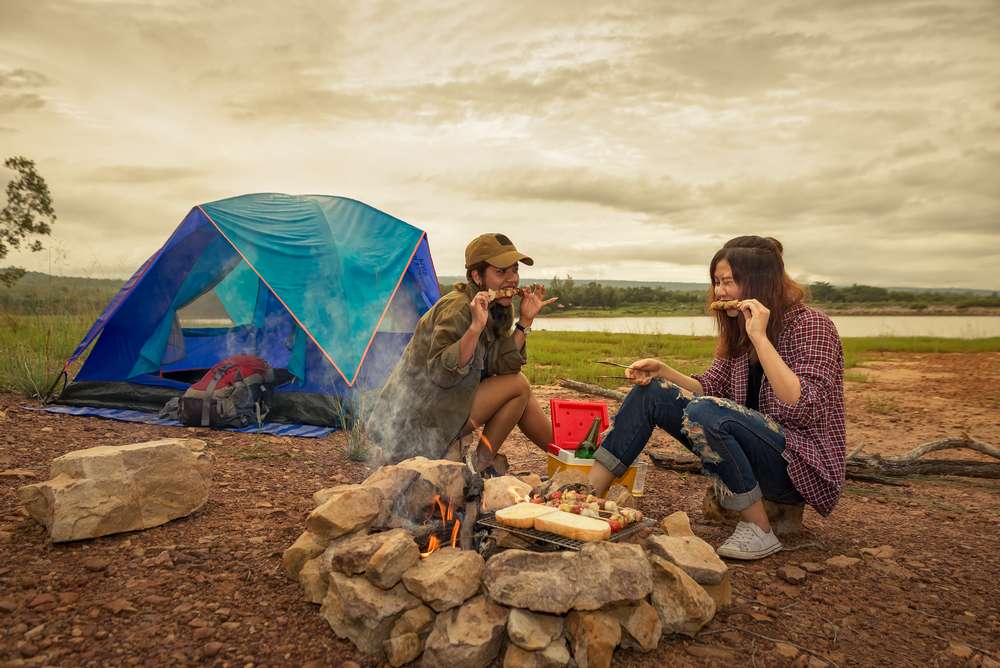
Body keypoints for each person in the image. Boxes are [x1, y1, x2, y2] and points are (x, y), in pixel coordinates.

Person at [588, 236, 845, 560]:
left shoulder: (812, 326)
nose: (719, 292)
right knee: (651, 393)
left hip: (796, 468)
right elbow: (711, 388)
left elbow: (803, 406)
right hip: (746, 456)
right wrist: (664, 371)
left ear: (759, 282)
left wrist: (760, 339)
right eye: (716, 282)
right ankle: (587, 495)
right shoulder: (738, 330)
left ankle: (760, 530)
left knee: (706, 412)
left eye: (728, 282)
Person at [366, 233, 556, 470]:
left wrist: (524, 322)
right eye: (501, 272)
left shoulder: (497, 308)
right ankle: (481, 464)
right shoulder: (457, 308)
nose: (512, 280)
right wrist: (475, 329)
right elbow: (442, 374)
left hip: (448, 405)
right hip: (415, 422)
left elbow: (502, 365)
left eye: (514, 271)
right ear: (477, 276)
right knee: (518, 386)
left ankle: (569, 455)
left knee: (520, 390)